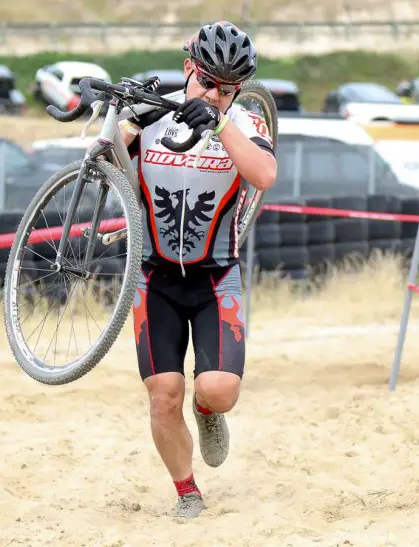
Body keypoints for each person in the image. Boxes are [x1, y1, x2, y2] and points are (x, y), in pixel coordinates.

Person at [116, 21, 277, 518]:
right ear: (188, 68)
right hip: (154, 276)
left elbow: (265, 175)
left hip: (215, 275)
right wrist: (118, 122)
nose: (216, 93)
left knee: (218, 390)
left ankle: (208, 413)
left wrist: (221, 121)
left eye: (229, 88)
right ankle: (187, 491)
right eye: (208, 82)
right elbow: (104, 158)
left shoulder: (245, 123)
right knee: (164, 395)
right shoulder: (151, 114)